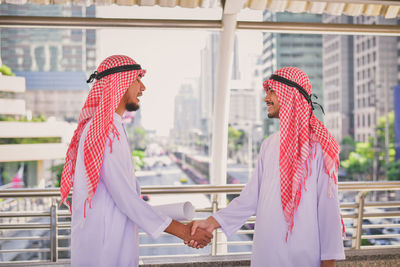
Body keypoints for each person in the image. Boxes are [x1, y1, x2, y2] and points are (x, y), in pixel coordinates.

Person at [60, 55, 212, 267]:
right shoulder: (101, 131)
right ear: (118, 82)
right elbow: (125, 197)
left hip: (115, 239)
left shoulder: (115, 128)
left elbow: (128, 196)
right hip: (103, 246)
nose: (143, 87)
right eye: (138, 79)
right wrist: (183, 230)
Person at [189, 67, 345, 267]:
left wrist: (328, 263)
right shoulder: (269, 144)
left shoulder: (320, 148)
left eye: (272, 91)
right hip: (266, 253)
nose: (266, 98)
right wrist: (210, 222)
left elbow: (328, 211)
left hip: (304, 257)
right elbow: (250, 198)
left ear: (291, 95)